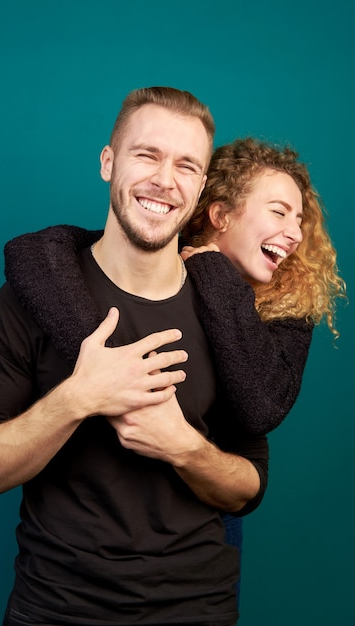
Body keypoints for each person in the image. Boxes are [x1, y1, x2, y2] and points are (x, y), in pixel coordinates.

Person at [0, 88, 269, 626]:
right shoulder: (35, 295)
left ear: (200, 187)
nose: (165, 180)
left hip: (197, 609)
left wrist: (184, 447)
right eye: (147, 155)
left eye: (186, 165)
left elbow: (249, 488)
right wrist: (78, 398)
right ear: (108, 162)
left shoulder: (225, 307)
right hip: (55, 609)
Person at [180, 136, 346, 598]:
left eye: (299, 218)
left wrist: (212, 272)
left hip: (209, 524)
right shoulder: (160, 272)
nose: (295, 232)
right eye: (279, 212)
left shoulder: (291, 306)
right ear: (220, 215)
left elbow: (260, 406)